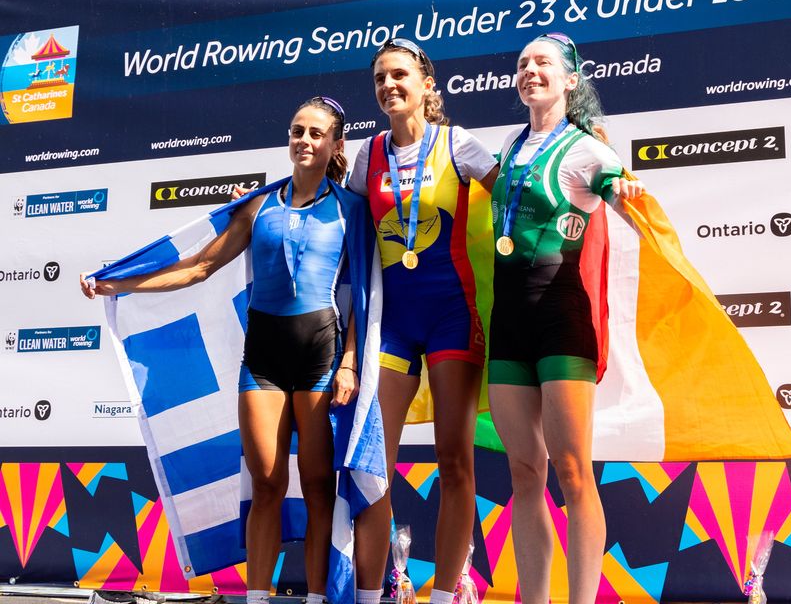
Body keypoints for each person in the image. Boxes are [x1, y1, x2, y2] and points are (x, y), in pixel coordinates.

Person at [80, 97, 366, 604]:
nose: (304, 140)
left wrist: (349, 362)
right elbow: (197, 267)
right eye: (297, 130)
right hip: (263, 360)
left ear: (335, 145)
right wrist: (118, 283)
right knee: (268, 485)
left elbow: (364, 295)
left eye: (316, 133)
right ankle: (256, 598)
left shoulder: (351, 210)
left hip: (322, 356)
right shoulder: (257, 206)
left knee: (320, 488)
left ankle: (319, 598)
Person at [487, 33, 643, 604]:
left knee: (574, 475)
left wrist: (625, 190)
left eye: (543, 63)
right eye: (523, 63)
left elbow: (623, 197)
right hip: (509, 326)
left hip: (561, 320)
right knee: (524, 475)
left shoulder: (590, 151)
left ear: (570, 81)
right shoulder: (507, 146)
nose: (530, 70)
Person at [348, 38, 499, 604]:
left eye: (401, 75)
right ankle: (384, 585)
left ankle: (445, 590)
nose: (389, 85)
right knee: (374, 465)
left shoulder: (459, 145)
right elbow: (340, 218)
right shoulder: (369, 155)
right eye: (381, 78)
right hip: (394, 324)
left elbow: (515, 196)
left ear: (427, 86)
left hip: (452, 319)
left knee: (454, 461)